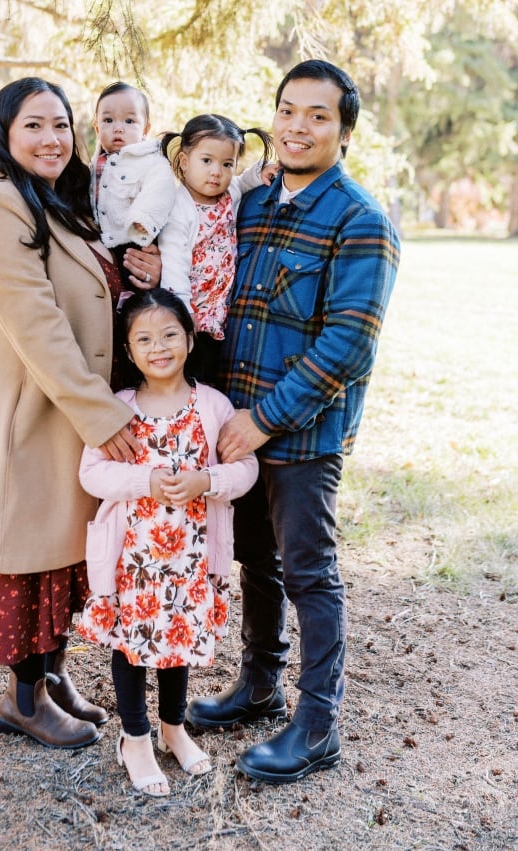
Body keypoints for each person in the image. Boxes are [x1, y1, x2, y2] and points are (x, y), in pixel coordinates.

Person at [186, 60, 401, 784]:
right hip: (235, 425)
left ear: (344, 130)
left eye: (317, 115)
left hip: (301, 434)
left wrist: (264, 421)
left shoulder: (362, 222)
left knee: (310, 571)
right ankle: (258, 685)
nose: (297, 126)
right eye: (287, 111)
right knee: (256, 558)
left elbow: (348, 344)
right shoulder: (251, 204)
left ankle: (317, 724)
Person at [0, 77, 160, 751]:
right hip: (34, 414)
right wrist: (102, 415)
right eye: (34, 126)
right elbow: (38, 326)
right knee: (25, 555)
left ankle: (53, 674)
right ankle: (23, 698)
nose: (52, 139)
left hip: (70, 412)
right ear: (4, 135)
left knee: (63, 555)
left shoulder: (60, 201)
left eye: (61, 125)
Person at [76, 289, 259, 796]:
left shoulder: (213, 406)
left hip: (191, 556)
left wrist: (208, 480)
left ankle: (173, 729)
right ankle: (135, 737)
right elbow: (91, 474)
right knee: (132, 645)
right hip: (132, 559)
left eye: (170, 334)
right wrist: (144, 481)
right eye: (144, 339)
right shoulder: (119, 408)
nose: (159, 347)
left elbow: (246, 468)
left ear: (191, 338)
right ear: (129, 352)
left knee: (177, 641)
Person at [159, 114, 275, 383]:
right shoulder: (178, 207)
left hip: (218, 312)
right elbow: (174, 262)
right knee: (189, 378)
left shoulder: (229, 193)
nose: (216, 172)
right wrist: (182, 311)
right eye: (207, 161)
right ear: (185, 162)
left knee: (213, 379)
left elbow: (244, 181)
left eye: (227, 164)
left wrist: (261, 173)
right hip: (191, 314)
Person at [90, 81, 176, 294]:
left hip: (135, 236)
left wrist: (143, 219)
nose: (118, 128)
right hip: (103, 239)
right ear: (96, 127)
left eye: (129, 121)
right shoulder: (95, 162)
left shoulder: (152, 161)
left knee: (135, 281)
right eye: (108, 120)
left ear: (145, 129)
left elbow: (160, 188)